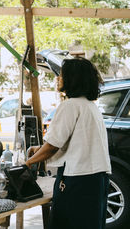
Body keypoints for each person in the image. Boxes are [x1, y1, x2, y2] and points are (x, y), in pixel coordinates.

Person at [26, 57, 111, 229]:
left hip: (78, 179)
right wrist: (38, 149)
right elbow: (74, 142)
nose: (58, 78)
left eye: (62, 75)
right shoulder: (90, 106)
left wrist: (28, 163)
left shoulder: (70, 106)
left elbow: (52, 146)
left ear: (73, 79)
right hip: (98, 178)